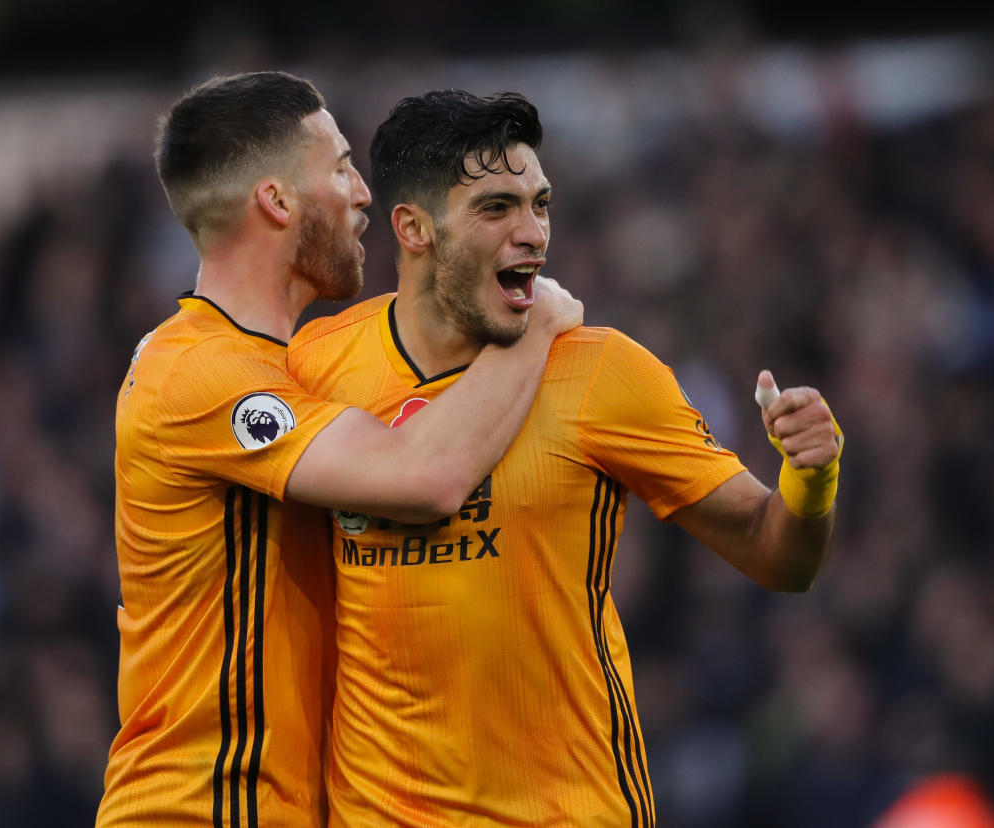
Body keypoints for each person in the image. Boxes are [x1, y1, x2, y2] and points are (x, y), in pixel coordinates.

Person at [287, 90, 843, 826]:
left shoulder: (602, 372)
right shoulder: (315, 369)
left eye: (539, 204)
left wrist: (811, 480)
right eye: (496, 209)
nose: (533, 234)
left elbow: (780, 558)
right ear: (414, 228)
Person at [96, 74, 582, 828]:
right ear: (278, 202)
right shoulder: (197, 374)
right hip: (200, 810)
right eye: (342, 166)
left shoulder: (282, 370)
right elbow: (426, 475)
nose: (363, 193)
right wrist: (537, 323)